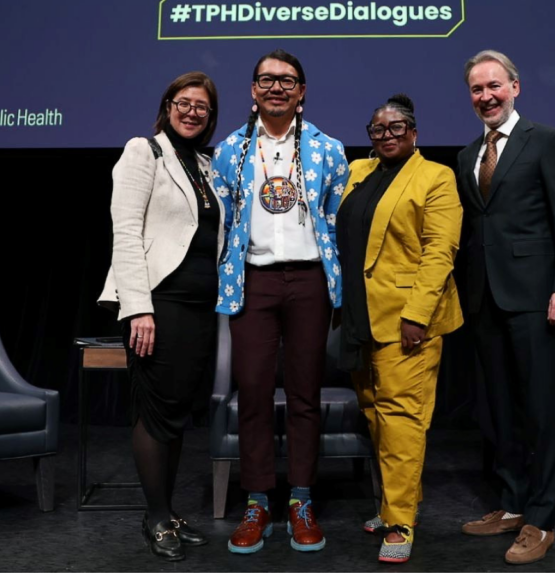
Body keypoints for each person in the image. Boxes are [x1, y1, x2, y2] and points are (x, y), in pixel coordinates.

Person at [211, 49, 350, 554]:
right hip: (253, 282)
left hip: (310, 280)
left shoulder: (328, 149)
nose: (276, 87)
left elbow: (336, 219)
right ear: (252, 91)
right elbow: (223, 225)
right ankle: (256, 502)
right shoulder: (230, 152)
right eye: (266, 80)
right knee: (251, 391)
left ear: (302, 91)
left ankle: (301, 500)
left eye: (287, 80)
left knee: (304, 394)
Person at [455, 50, 555, 565]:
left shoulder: (546, 141)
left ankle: (541, 519)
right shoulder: (468, 155)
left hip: (537, 299)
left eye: (493, 86)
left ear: (515, 87)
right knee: (498, 410)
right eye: (475, 89)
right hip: (483, 298)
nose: (484, 96)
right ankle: (510, 505)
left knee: (541, 410)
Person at [97, 71, 222, 562]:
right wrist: (139, 310)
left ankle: (167, 513)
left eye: (203, 107)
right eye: (184, 102)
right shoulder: (142, 152)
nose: (192, 112)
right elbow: (125, 233)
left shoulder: (208, 165)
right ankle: (154, 518)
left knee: (175, 414)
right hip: (159, 303)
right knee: (155, 412)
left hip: (199, 309)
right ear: (167, 105)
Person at [339, 94, 463, 563]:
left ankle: (400, 523)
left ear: (414, 133)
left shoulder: (436, 176)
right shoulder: (358, 172)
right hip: (359, 317)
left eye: (396, 128)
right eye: (377, 129)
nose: (386, 135)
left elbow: (440, 251)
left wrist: (417, 314)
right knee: (374, 413)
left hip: (408, 321)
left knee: (402, 421)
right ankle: (397, 501)